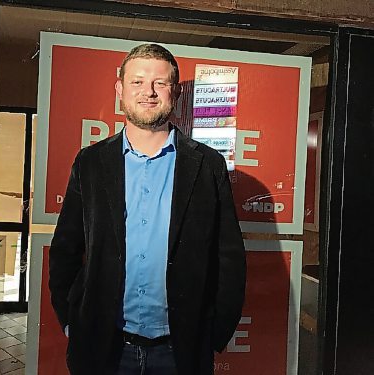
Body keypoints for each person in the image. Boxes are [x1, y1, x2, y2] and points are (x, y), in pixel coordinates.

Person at [49, 43, 246, 375]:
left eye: (160, 83)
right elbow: (66, 249)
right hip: (103, 348)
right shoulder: (92, 163)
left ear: (175, 92)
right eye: (137, 82)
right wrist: (71, 321)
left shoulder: (207, 165)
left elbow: (228, 257)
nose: (148, 92)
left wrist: (216, 332)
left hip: (180, 351)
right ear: (120, 91)